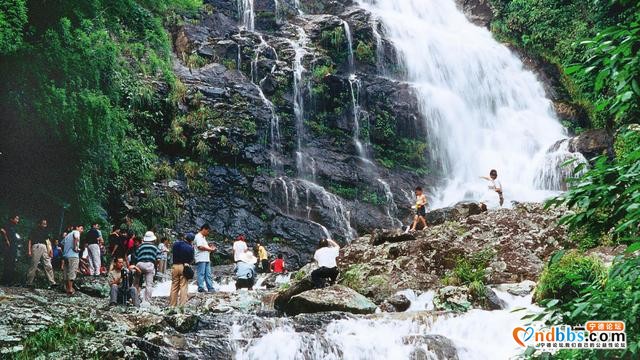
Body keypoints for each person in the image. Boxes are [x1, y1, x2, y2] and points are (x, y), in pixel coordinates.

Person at [26, 219, 57, 288]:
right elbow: (30, 240)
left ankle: (52, 282)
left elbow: (48, 241)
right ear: (39, 224)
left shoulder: (46, 231)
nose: (45, 225)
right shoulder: (34, 230)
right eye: (43, 223)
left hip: (44, 247)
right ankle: (29, 282)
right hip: (36, 246)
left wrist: (50, 250)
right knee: (34, 264)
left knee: (48, 264)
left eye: (45, 224)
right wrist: (29, 250)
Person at [169, 233, 195, 306]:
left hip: (174, 266)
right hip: (184, 267)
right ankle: (182, 306)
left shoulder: (175, 244)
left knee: (174, 286)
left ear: (185, 237)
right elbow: (191, 259)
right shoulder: (190, 247)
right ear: (192, 240)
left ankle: (172, 306)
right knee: (183, 286)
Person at [131, 232, 157, 303]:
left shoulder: (141, 246)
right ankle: (147, 301)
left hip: (139, 265)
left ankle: (134, 298)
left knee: (136, 282)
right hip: (149, 265)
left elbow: (136, 256)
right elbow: (158, 257)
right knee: (149, 285)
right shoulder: (154, 247)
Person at [62, 225, 83, 295]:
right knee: (72, 271)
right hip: (73, 255)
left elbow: (62, 243)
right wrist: (75, 248)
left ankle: (66, 287)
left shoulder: (68, 235)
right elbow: (76, 238)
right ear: (76, 227)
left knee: (66, 271)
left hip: (66, 255)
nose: (82, 230)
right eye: (81, 228)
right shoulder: (76, 232)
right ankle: (70, 289)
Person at [194, 224, 216, 293]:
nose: (208, 233)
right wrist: (210, 249)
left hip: (206, 258)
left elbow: (205, 247)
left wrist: (211, 249)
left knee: (208, 274)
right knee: (201, 273)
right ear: (204, 229)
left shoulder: (203, 238)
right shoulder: (198, 236)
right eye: (208, 231)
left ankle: (210, 288)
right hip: (200, 258)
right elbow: (200, 247)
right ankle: (200, 287)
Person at [1, 215, 20, 286]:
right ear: (12, 219)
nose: (18, 220)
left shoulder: (14, 227)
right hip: (8, 247)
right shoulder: (7, 224)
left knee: (12, 263)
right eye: (16, 218)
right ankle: (5, 281)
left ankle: (10, 281)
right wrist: (6, 240)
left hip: (13, 247)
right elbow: (2, 230)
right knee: (8, 263)